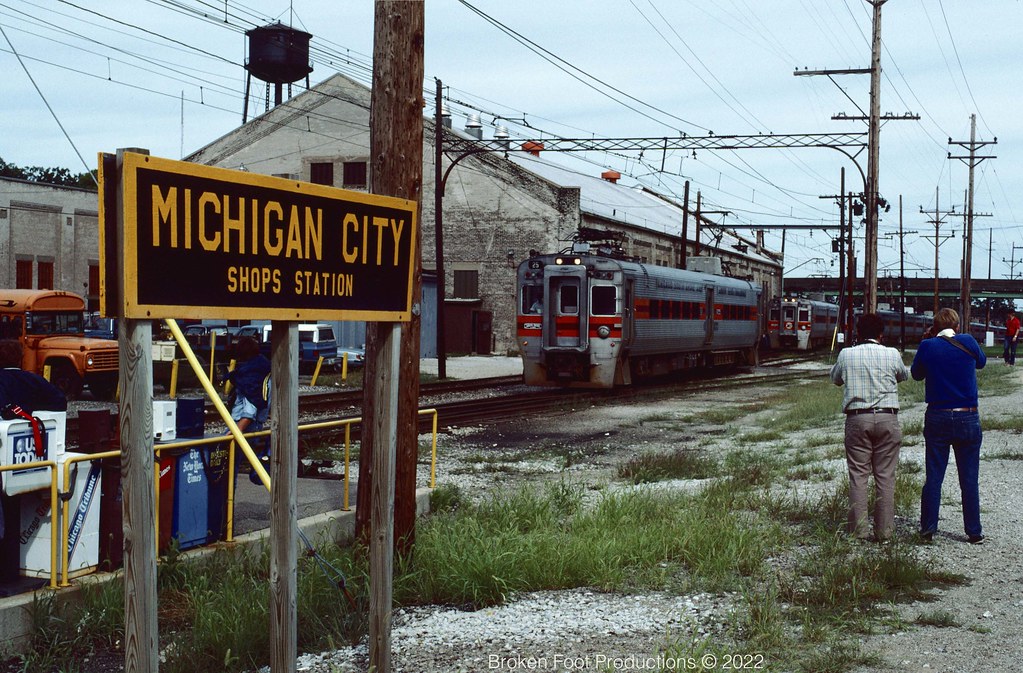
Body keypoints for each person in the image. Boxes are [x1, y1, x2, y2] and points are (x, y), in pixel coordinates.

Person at [829, 313, 910, 542]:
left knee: (858, 475)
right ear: (881, 334)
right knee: (885, 476)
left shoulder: (847, 354)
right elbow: (903, 376)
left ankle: (859, 532)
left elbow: (835, 379)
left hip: (857, 419)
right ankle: (884, 532)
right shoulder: (892, 353)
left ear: (857, 332)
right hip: (887, 417)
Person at [912, 307, 986, 544]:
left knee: (934, 476)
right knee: (969, 477)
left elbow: (916, 374)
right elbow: (981, 363)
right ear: (957, 325)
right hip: (967, 416)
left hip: (938, 416)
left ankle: (928, 528)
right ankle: (974, 532)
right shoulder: (967, 341)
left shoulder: (928, 346)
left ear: (934, 326)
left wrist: (927, 341)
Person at [225, 337, 271, 483]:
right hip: (256, 425)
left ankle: (225, 504)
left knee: (228, 472)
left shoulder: (250, 377)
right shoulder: (264, 370)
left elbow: (249, 410)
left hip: (242, 427)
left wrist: (232, 433)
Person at [0, 339, 67, 414]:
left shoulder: (3, 379)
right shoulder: (36, 379)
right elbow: (61, 402)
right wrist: (29, 408)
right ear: (20, 359)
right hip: (31, 422)